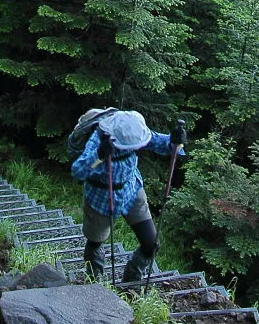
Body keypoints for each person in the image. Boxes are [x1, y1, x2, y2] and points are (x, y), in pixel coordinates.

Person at [70, 109, 187, 283]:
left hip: (131, 191)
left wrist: (175, 141)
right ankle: (94, 280)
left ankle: (132, 280)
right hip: (101, 198)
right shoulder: (99, 140)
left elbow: (156, 141)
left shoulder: (134, 131)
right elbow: (78, 171)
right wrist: (99, 157)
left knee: (151, 244)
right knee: (95, 243)